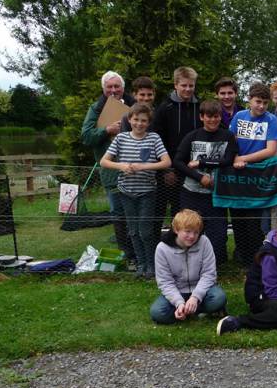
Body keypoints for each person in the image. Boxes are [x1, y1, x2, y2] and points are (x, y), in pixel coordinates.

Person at [100, 103, 171, 278]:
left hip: (147, 192)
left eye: (144, 120)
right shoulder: (121, 138)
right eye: (136, 119)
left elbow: (166, 162)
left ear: (148, 122)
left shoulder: (153, 138)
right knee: (133, 231)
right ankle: (141, 265)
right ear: (129, 119)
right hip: (126, 192)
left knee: (146, 231)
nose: (139, 123)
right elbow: (104, 161)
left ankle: (152, 265)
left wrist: (144, 166)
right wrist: (121, 166)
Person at [174, 99, 238, 265]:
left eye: (216, 116)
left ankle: (215, 266)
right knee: (190, 231)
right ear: (202, 117)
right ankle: (189, 265)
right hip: (191, 193)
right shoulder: (192, 136)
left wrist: (203, 163)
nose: (213, 120)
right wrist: (199, 177)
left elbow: (228, 160)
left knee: (218, 234)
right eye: (208, 116)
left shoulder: (228, 136)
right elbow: (178, 161)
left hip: (217, 195)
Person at [80, 70, 135, 260]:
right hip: (111, 171)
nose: (113, 90)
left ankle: (141, 252)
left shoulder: (134, 105)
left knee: (136, 212)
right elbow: (86, 136)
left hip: (136, 169)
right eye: (109, 87)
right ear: (103, 89)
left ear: (123, 88)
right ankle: (125, 253)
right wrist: (107, 130)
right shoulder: (96, 109)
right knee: (118, 212)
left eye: (117, 86)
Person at [229, 82, 277, 265]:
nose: (261, 106)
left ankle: (255, 259)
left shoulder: (271, 120)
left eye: (265, 103)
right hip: (237, 174)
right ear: (249, 100)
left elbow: (270, 150)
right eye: (258, 101)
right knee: (237, 218)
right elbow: (231, 141)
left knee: (254, 221)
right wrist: (235, 158)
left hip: (258, 175)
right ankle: (241, 257)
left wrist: (245, 159)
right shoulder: (239, 116)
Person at [150, 209, 227, 324]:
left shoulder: (204, 242)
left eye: (196, 232)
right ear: (176, 229)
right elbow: (165, 282)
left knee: (219, 297)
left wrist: (195, 297)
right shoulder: (162, 248)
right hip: (178, 290)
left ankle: (188, 311)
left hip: (202, 290)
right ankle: (188, 310)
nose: (192, 236)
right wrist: (179, 302)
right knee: (157, 312)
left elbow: (209, 274)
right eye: (187, 231)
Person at [152, 66, 201, 222]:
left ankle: (183, 244)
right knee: (159, 210)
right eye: (184, 85)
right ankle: (156, 245)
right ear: (175, 85)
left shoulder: (200, 107)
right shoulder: (164, 108)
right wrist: (167, 170)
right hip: (169, 169)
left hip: (192, 169)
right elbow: (157, 139)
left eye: (191, 85)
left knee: (184, 212)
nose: (188, 89)